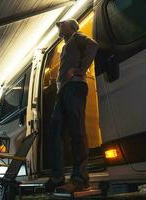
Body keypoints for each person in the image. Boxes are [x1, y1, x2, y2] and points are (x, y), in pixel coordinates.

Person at [44, 19, 99, 194]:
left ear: (73, 27)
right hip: (64, 91)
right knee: (55, 131)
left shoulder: (77, 36)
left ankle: (80, 178)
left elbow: (93, 46)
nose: (59, 25)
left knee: (76, 130)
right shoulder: (66, 45)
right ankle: (58, 176)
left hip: (75, 86)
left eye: (63, 23)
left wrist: (81, 69)